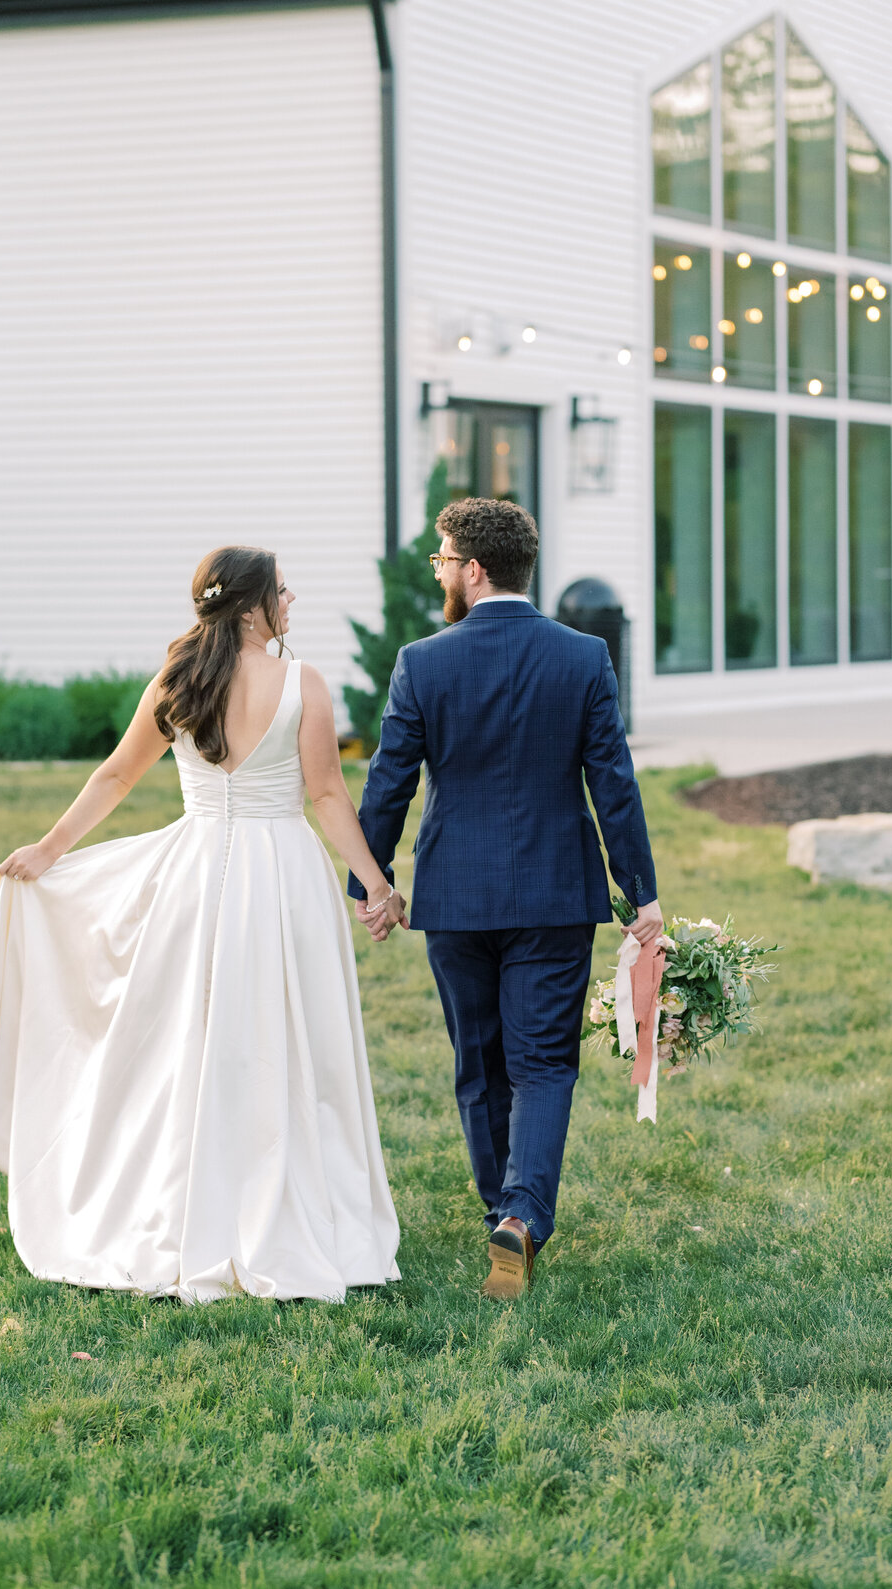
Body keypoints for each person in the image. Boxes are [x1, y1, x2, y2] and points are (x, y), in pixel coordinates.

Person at [0, 547, 401, 1303]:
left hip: (196, 874)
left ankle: (185, 1198)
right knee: (282, 1037)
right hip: (281, 879)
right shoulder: (302, 682)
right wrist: (375, 883)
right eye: (282, 589)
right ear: (252, 608)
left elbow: (115, 773)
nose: (292, 597)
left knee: (188, 1038)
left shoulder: (177, 680)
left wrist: (52, 848)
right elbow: (328, 794)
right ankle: (283, 1197)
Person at [349, 498, 661, 1300]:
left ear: (475, 569)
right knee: (544, 1062)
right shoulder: (584, 656)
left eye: (444, 560)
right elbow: (614, 787)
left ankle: (506, 1207)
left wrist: (372, 881)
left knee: (479, 1063)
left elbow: (390, 781)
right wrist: (642, 895)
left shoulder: (423, 662)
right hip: (557, 893)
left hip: (456, 896)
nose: (441, 573)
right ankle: (521, 1215)